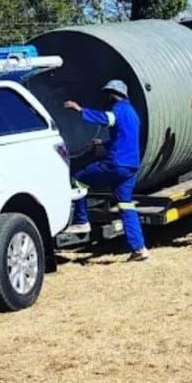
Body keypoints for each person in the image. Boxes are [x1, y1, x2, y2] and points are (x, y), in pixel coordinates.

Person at [63, 80, 150, 261]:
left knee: (77, 179)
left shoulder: (119, 109)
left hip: (115, 164)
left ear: (112, 94)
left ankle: (81, 221)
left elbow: (107, 119)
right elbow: (125, 139)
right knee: (126, 204)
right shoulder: (133, 114)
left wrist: (80, 110)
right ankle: (139, 248)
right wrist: (103, 143)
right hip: (130, 166)